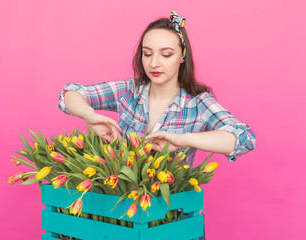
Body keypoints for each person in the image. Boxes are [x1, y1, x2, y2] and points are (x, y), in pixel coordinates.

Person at [58, 11, 256, 168]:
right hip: (121, 209)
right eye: (147, 53)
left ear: (182, 57)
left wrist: (184, 140)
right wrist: (89, 115)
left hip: (171, 215)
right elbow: (70, 94)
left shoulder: (198, 103)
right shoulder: (129, 91)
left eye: (166, 54)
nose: (154, 63)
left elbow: (244, 139)